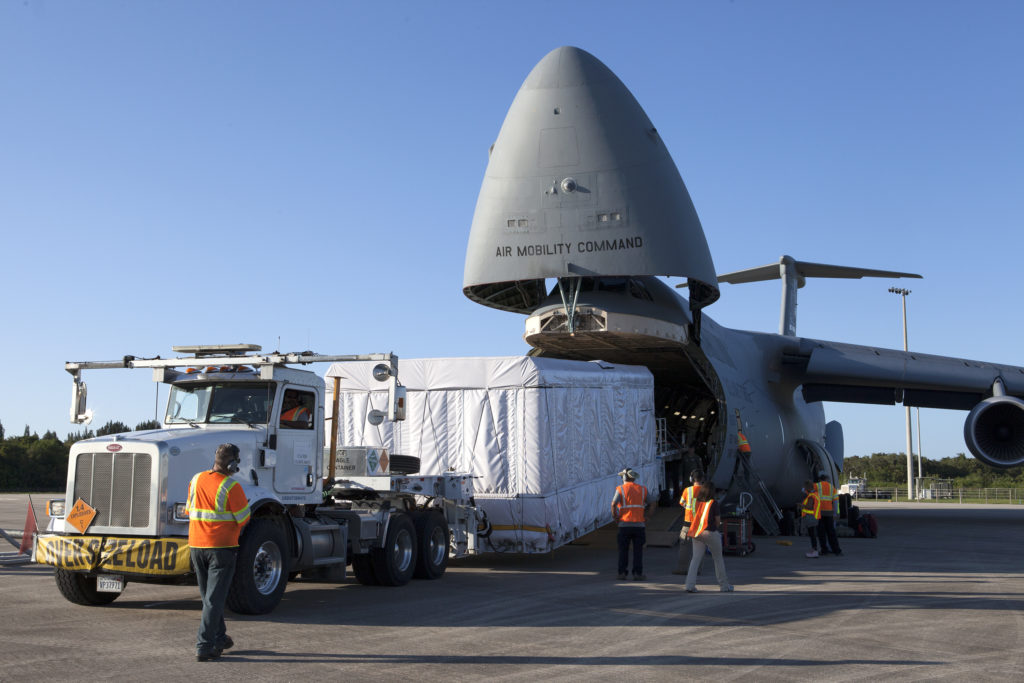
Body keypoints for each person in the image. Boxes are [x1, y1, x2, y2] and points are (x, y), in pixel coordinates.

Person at [185, 443, 251, 661]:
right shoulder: (232, 487)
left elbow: (190, 510)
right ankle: (204, 645)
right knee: (213, 600)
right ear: (232, 464)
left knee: (209, 598)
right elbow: (243, 519)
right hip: (221, 549)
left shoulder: (196, 479)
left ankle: (220, 638)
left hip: (196, 546)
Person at [684, 485, 733, 593]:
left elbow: (691, 516)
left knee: (695, 559)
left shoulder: (694, 502)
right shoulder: (713, 503)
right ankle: (724, 585)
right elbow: (717, 520)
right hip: (709, 532)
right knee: (718, 559)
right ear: (712, 492)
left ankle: (689, 585)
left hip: (696, 533)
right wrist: (716, 527)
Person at [611, 467, 652, 581]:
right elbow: (653, 502)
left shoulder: (620, 489)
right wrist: (648, 517)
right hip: (639, 526)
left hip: (624, 525)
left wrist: (615, 517)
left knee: (623, 550)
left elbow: (613, 504)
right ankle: (638, 574)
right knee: (638, 551)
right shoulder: (642, 489)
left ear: (624, 477)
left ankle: (622, 573)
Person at [672, 470, 706, 576]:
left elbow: (681, 502)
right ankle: (697, 569)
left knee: (684, 546)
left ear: (691, 479)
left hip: (687, 523)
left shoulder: (688, 490)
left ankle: (682, 569)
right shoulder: (705, 490)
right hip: (700, 524)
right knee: (700, 547)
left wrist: (689, 507)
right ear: (703, 479)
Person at [815, 472, 842, 556]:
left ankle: (824, 550)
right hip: (829, 513)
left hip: (820, 513)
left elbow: (804, 490)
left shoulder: (816, 486)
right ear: (826, 479)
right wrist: (836, 513)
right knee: (831, 532)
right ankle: (837, 550)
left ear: (819, 479)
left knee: (821, 533)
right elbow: (836, 502)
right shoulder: (832, 488)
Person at [800, 480, 821, 558]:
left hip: (810, 517)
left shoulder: (811, 496)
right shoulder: (815, 494)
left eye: (805, 487)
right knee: (813, 534)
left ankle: (814, 551)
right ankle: (814, 550)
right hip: (814, 517)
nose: (804, 489)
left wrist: (801, 506)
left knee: (812, 535)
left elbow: (809, 506)